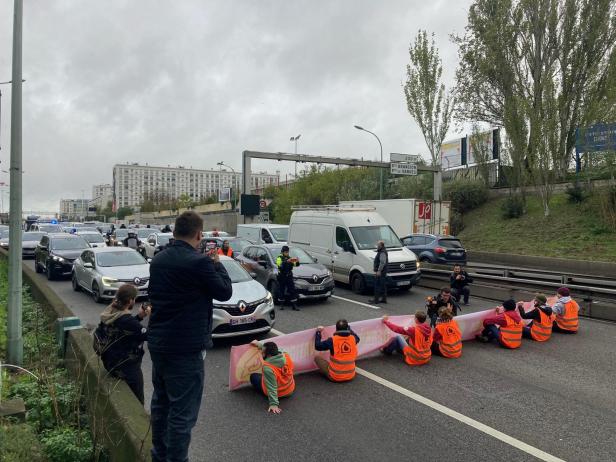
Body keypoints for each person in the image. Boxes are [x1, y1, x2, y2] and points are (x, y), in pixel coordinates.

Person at [148, 211, 232, 462]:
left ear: (175, 231)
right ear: (199, 234)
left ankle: (158, 456)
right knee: (182, 414)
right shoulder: (199, 262)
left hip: (159, 344)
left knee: (161, 404)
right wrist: (217, 264)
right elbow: (225, 292)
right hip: (185, 349)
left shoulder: (159, 259)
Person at [97, 284, 150, 404]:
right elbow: (149, 335)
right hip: (127, 368)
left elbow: (125, 329)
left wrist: (139, 316)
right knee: (138, 401)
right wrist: (150, 317)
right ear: (131, 300)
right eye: (134, 299)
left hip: (110, 362)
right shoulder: (127, 320)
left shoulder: (111, 312)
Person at [249, 340, 295, 414]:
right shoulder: (286, 355)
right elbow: (279, 350)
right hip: (290, 389)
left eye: (263, 352)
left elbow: (271, 387)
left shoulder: (268, 368)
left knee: (253, 376)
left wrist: (274, 404)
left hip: (280, 393)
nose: (261, 353)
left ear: (269, 355)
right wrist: (260, 345)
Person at [276, 245, 300, 311]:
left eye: (288, 252)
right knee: (281, 290)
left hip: (289, 276)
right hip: (282, 276)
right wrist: (286, 262)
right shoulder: (279, 258)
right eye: (286, 252)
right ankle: (281, 305)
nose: (287, 253)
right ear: (282, 252)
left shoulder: (290, 258)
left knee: (292, 290)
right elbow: (280, 266)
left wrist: (297, 261)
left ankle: (294, 305)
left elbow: (296, 265)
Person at [368, 240, 388, 304]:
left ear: (381, 246)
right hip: (383, 271)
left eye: (378, 245)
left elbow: (382, 262)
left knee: (377, 285)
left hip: (381, 271)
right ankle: (383, 299)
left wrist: (379, 270)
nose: (377, 246)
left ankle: (376, 300)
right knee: (382, 285)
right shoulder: (382, 251)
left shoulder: (382, 252)